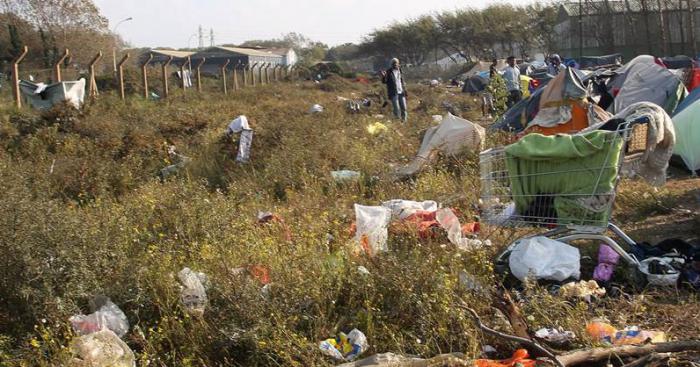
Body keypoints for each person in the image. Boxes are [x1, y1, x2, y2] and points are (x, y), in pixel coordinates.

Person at [380, 58, 408, 122]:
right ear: (392, 64)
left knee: (404, 108)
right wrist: (383, 76)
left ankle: (404, 121)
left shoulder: (400, 71)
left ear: (398, 64)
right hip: (394, 93)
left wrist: (405, 90)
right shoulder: (389, 72)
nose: (395, 65)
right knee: (397, 108)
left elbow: (402, 81)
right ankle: (397, 121)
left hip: (401, 92)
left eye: (396, 63)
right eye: (394, 64)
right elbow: (384, 81)